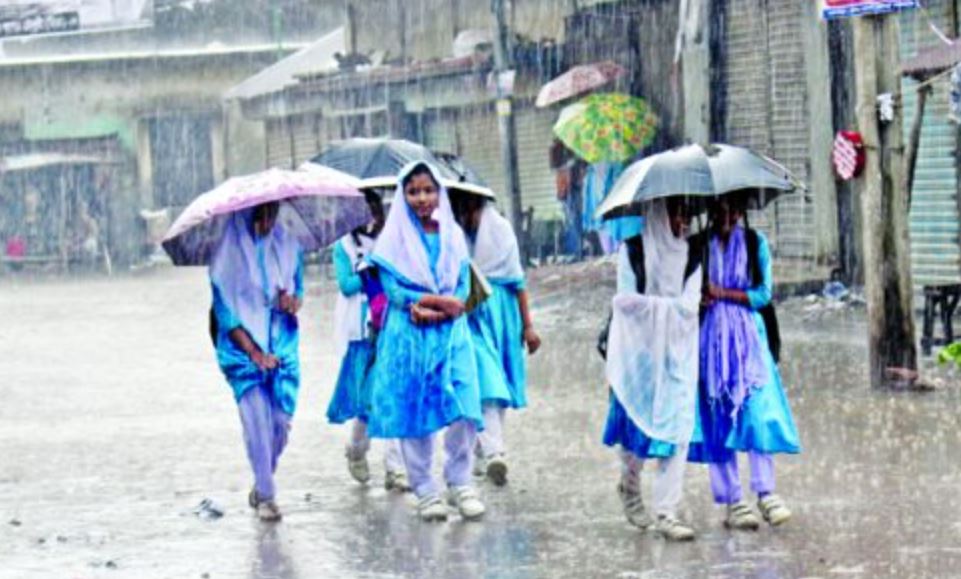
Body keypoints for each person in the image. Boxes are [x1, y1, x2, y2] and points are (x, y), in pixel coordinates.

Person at [366, 162, 485, 522]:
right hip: (409, 332)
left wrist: (447, 307)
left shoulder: (453, 234)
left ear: (439, 193)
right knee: (415, 410)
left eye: (428, 190)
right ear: (402, 195)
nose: (422, 198)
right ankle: (424, 489)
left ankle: (460, 481)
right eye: (413, 191)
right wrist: (434, 303)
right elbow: (393, 290)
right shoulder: (393, 238)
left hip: (452, 332)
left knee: (465, 403)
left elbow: (463, 284)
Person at [688, 195, 800, 530]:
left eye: (735, 211)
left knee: (757, 413)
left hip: (750, 340)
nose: (729, 217)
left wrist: (722, 293)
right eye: (722, 210)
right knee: (718, 417)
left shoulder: (755, 243)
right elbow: (686, 292)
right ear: (712, 210)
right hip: (709, 343)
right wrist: (699, 298)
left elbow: (763, 294)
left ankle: (766, 492)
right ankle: (733, 500)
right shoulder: (698, 247)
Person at [602, 198, 701, 542]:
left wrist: (654, 308)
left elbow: (690, 307)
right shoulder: (632, 250)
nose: (683, 221)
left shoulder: (692, 255)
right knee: (635, 433)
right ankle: (629, 485)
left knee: (676, 431)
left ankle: (666, 512)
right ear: (659, 214)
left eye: (687, 214)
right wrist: (666, 309)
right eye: (676, 213)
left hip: (676, 355)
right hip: (637, 355)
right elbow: (624, 301)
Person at [209, 201, 304, 522]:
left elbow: (298, 293)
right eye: (258, 216)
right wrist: (254, 353)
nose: (265, 223)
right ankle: (266, 494)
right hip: (242, 352)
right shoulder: (225, 258)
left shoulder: (288, 247)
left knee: (280, 423)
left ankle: (263, 477)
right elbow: (226, 314)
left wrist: (290, 302)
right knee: (256, 423)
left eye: (271, 215)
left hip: (282, 345)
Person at [450, 192, 541, 486]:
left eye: (470, 211)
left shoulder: (501, 232)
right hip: (471, 318)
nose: (467, 218)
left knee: (498, 385)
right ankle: (494, 451)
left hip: (503, 317)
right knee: (485, 378)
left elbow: (519, 283)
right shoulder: (453, 236)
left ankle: (483, 448)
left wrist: (528, 327)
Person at [326, 190, 409, 492]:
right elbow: (346, 285)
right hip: (361, 332)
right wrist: (368, 270)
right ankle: (356, 449)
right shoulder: (343, 247)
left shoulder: (390, 241)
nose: (370, 218)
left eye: (373, 211)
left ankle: (395, 469)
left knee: (390, 396)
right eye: (363, 213)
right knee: (367, 402)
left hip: (389, 326)